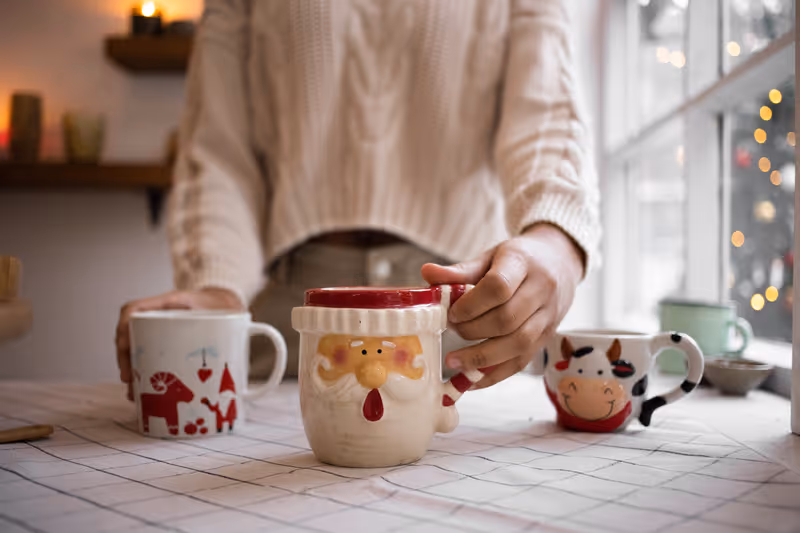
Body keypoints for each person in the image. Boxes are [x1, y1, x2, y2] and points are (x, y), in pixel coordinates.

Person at [116, 0, 600, 400]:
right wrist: (215, 285)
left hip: (461, 317)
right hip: (292, 324)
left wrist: (555, 241)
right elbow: (219, 148)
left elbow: (547, 118)